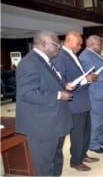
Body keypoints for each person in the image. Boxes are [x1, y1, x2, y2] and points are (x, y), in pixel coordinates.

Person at [15, 31, 74, 176]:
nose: (59, 48)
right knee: (45, 166)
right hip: (42, 126)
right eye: (56, 44)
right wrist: (59, 94)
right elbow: (27, 93)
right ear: (43, 44)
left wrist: (63, 86)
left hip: (55, 123)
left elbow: (46, 85)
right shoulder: (28, 63)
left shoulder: (46, 61)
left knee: (56, 159)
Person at [53, 31, 98, 171]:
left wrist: (86, 78)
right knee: (78, 134)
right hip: (74, 103)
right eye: (78, 44)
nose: (80, 47)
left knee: (86, 131)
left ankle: (83, 155)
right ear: (69, 41)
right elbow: (61, 81)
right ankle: (76, 161)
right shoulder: (61, 57)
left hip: (83, 101)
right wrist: (86, 80)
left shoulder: (72, 55)